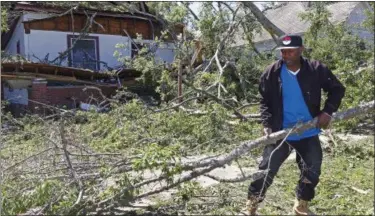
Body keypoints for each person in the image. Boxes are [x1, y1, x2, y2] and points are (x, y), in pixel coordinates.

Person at [246, 34, 345, 215]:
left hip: (308, 131)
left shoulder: (316, 69)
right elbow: (264, 101)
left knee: (312, 169)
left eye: (290, 51)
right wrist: (267, 123)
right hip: (281, 132)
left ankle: (301, 205)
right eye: (283, 51)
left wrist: (328, 111)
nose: (286, 55)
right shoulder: (271, 73)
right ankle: (251, 206)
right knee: (266, 170)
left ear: (301, 50)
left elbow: (337, 89)